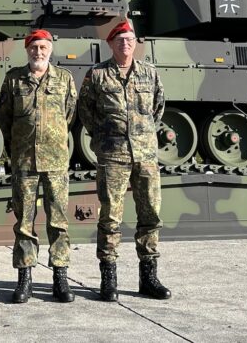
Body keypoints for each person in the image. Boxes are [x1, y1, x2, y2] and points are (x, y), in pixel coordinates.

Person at [77, 20, 171, 302]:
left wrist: (142, 135)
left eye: (129, 40)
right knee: (110, 217)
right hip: (113, 155)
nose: (125, 44)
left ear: (135, 43)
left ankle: (149, 277)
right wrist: (105, 137)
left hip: (145, 155)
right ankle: (109, 278)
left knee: (150, 216)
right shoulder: (97, 75)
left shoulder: (150, 74)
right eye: (120, 40)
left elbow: (158, 108)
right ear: (110, 44)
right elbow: (85, 111)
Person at [0, 29, 77, 303]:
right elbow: (3, 118)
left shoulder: (64, 79)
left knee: (58, 221)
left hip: (55, 161)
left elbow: (70, 115)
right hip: (24, 161)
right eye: (33, 47)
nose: (38, 52)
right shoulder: (14, 79)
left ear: (50, 49)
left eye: (43, 47)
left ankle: (60, 277)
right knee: (24, 223)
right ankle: (25, 278)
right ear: (26, 50)